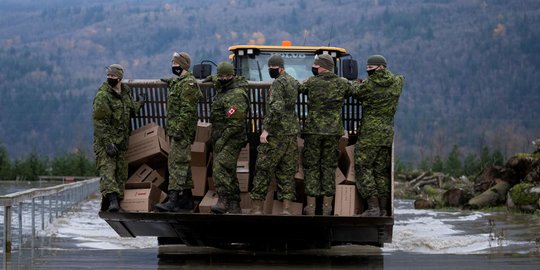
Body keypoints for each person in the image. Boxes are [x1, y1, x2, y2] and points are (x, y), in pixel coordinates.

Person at [300, 54, 355, 215]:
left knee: (312, 167)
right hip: (333, 133)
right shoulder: (342, 83)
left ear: (322, 66)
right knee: (329, 168)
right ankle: (327, 207)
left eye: (316, 66)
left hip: (313, 131)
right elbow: (354, 91)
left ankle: (310, 207)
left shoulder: (311, 82)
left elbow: (298, 88)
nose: (314, 68)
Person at [352, 54, 403, 216]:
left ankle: (373, 207)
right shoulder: (397, 82)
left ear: (379, 67)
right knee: (380, 171)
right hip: (387, 133)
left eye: (370, 69)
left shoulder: (369, 85)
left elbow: (356, 92)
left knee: (363, 166)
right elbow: (400, 79)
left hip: (370, 134)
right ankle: (382, 208)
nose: (369, 72)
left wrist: (358, 83)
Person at [250, 54, 300, 215]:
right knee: (287, 171)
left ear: (280, 68)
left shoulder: (278, 84)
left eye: (273, 68)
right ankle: (286, 209)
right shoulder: (293, 82)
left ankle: (257, 209)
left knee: (263, 169)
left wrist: (266, 130)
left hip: (276, 135)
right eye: (269, 68)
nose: (271, 71)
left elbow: (276, 108)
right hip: (290, 134)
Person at [93, 64, 144, 212]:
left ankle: (118, 203)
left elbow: (131, 110)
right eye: (108, 76)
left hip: (122, 142)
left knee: (121, 173)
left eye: (113, 76)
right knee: (108, 171)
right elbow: (99, 122)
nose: (110, 78)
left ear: (120, 78)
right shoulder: (103, 96)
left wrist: (139, 103)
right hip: (106, 143)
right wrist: (107, 143)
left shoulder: (125, 94)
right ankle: (113, 202)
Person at [155, 52, 202, 212]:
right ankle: (187, 199)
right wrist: (170, 81)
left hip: (181, 132)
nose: (173, 66)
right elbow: (178, 86)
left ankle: (173, 200)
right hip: (177, 131)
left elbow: (187, 111)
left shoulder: (188, 84)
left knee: (176, 164)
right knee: (183, 164)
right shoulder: (180, 82)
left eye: (175, 63)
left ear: (182, 65)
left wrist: (178, 130)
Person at [210, 62, 250, 214]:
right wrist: (213, 78)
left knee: (219, 166)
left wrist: (222, 140)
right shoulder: (224, 89)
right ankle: (234, 204)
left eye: (226, 76)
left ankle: (223, 200)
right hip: (223, 137)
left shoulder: (236, 95)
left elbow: (236, 124)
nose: (223, 78)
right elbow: (218, 80)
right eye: (220, 76)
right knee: (229, 170)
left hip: (233, 138)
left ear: (232, 76)